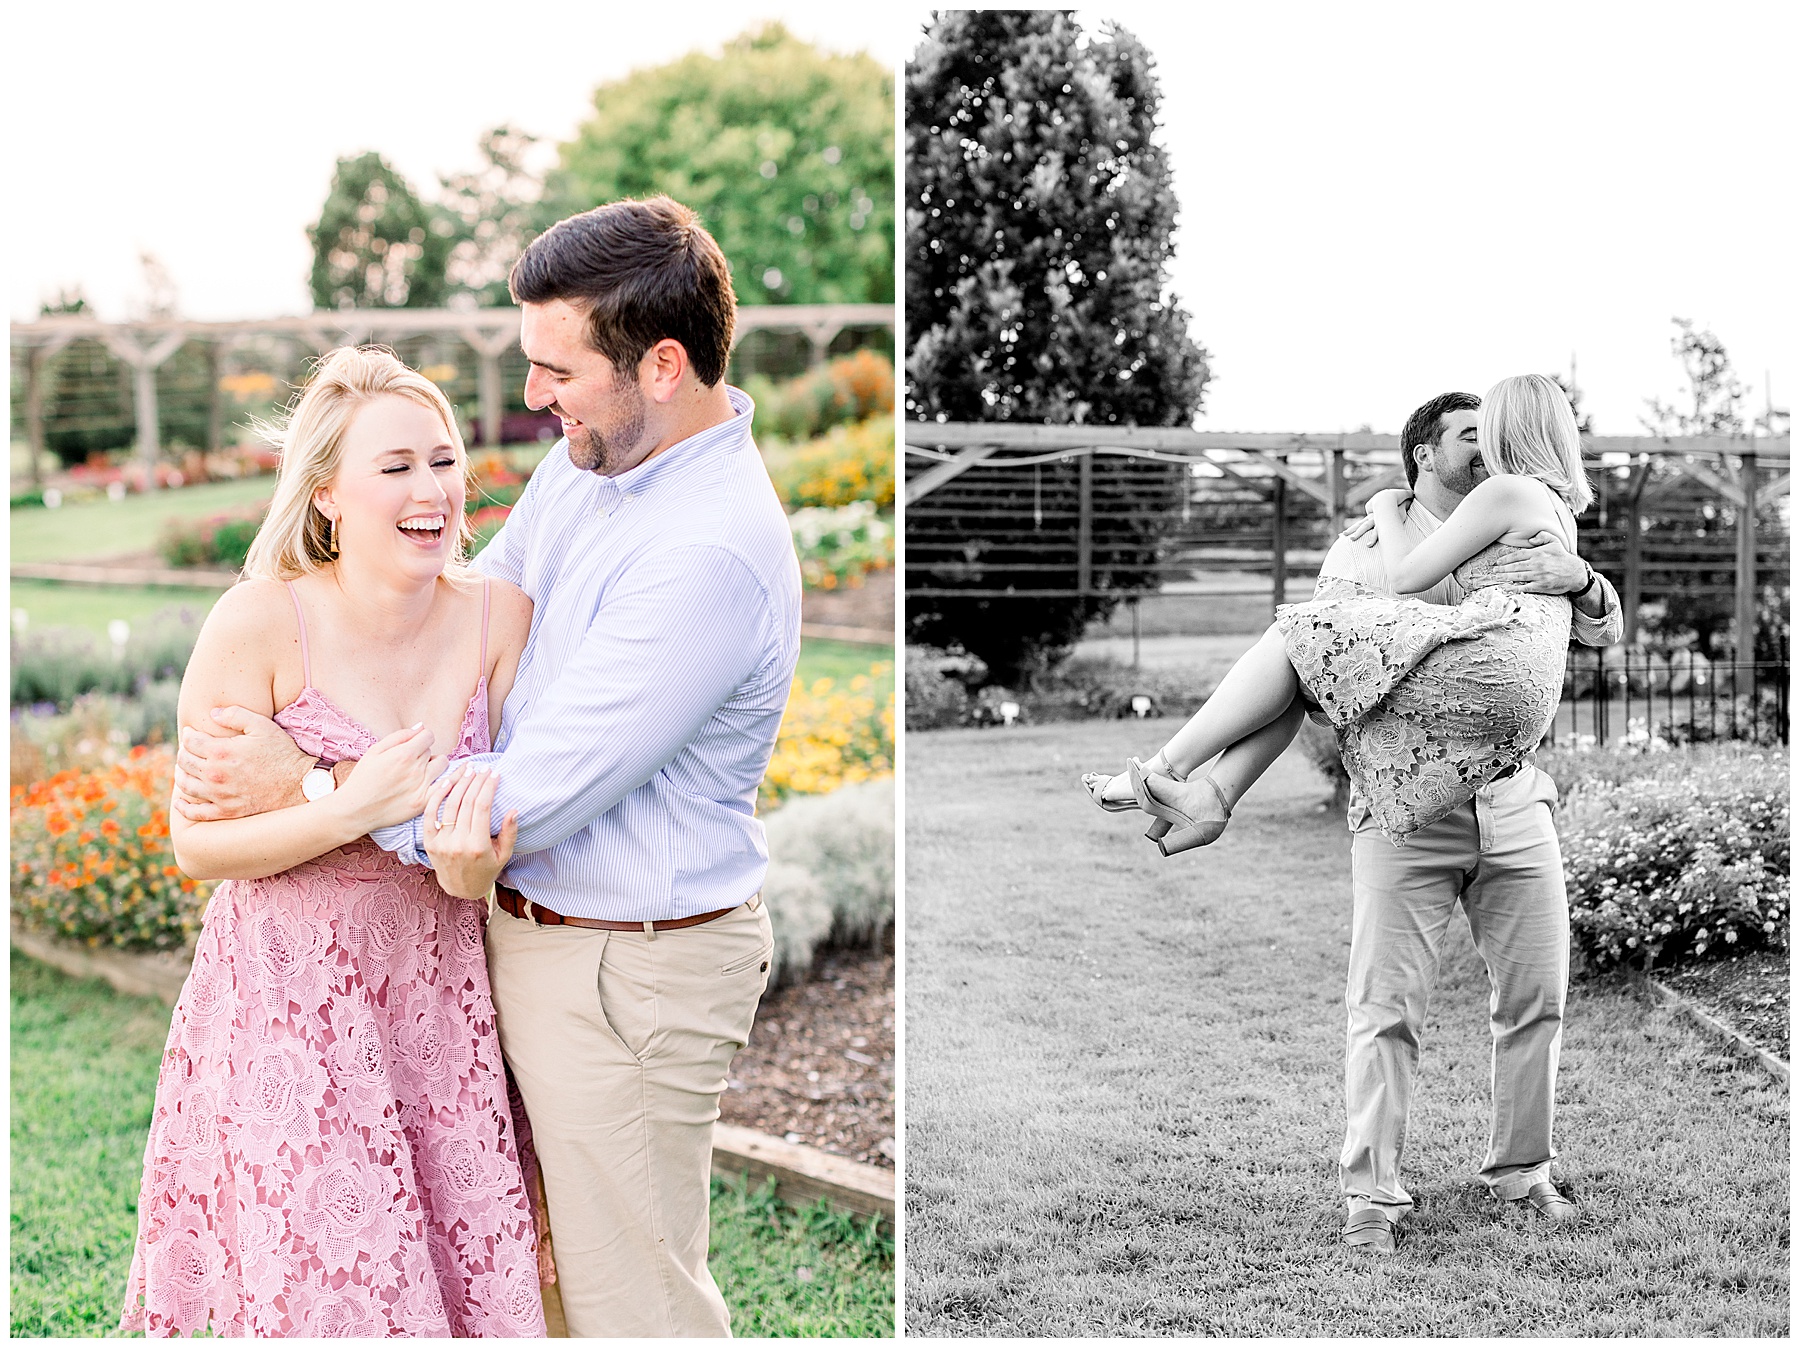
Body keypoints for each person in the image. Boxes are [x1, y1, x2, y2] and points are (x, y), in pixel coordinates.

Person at [173, 196, 802, 1336]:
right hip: (509, 958)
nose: (534, 394)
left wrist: (312, 782)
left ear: (662, 365)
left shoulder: (706, 551)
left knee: (632, 1309)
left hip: (627, 972)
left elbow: (513, 800)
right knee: (528, 1294)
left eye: (557, 369)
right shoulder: (591, 468)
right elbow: (482, 597)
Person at [1091, 379, 1623, 1254]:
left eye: (1489, 430)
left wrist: (1585, 579)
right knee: (1385, 1009)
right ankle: (1372, 1197)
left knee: (1538, 999)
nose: (1484, 445)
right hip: (1402, 814)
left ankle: (1523, 1171)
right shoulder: (1364, 546)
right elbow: (1309, 671)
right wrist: (1381, 513)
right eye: (1467, 435)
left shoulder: (1525, 518)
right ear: (1425, 455)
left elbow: (1601, 630)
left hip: (1513, 798)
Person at [123, 347, 545, 1336]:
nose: (431, 490)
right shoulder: (261, 623)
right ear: (326, 495)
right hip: (287, 1012)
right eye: (394, 467)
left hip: (441, 1009)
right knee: (327, 1295)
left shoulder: (501, 618)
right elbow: (196, 844)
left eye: (442, 460)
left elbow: (514, 817)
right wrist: (346, 804)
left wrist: (466, 852)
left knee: (461, 1289)